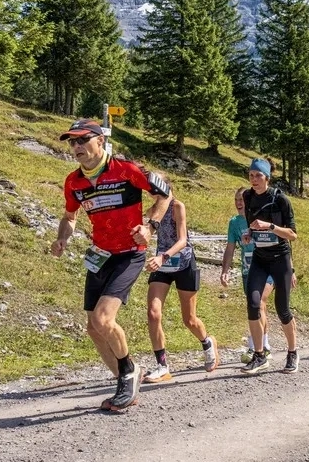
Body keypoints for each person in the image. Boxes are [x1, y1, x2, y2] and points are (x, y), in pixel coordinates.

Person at [50, 119, 171, 412]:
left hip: (129, 253)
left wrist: (150, 226)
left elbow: (164, 194)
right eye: (72, 142)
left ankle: (129, 370)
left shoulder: (126, 170)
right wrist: (62, 238)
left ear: (100, 141)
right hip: (100, 255)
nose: (76, 147)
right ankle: (125, 381)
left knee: (104, 319)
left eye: (81, 140)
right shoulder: (73, 181)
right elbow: (70, 217)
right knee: (93, 328)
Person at [141, 177, 219, 383]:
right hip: (162, 267)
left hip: (183, 263)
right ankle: (162, 365)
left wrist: (162, 256)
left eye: (154, 188)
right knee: (153, 312)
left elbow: (183, 240)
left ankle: (207, 342)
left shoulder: (177, 206)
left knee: (189, 319)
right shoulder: (152, 211)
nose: (151, 192)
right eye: (149, 189)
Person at [239, 158, 299, 375]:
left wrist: (271, 226)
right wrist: (248, 234)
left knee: (283, 310)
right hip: (260, 258)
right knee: (253, 304)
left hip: (280, 259)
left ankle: (292, 352)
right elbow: (252, 226)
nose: (254, 179)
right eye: (251, 175)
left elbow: (292, 234)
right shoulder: (247, 196)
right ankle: (259, 355)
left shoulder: (280, 199)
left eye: (258, 175)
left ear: (267, 177)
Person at [221, 187, 272, 362]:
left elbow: (282, 241)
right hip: (247, 270)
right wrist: (225, 271)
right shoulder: (234, 223)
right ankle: (262, 345)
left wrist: (290, 270)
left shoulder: (261, 217)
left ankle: (258, 347)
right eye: (236, 200)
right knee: (254, 305)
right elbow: (230, 248)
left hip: (267, 267)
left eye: (242, 200)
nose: (238, 203)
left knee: (259, 303)